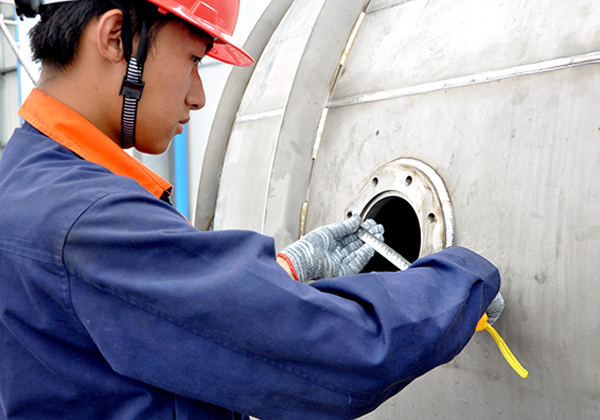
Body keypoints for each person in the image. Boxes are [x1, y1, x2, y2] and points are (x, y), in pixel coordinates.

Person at [0, 1, 502, 419]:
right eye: (195, 59)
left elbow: (141, 324)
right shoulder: (87, 221)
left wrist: (284, 273)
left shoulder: (25, 177)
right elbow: (340, 355)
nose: (197, 96)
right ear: (115, 38)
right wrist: (462, 278)